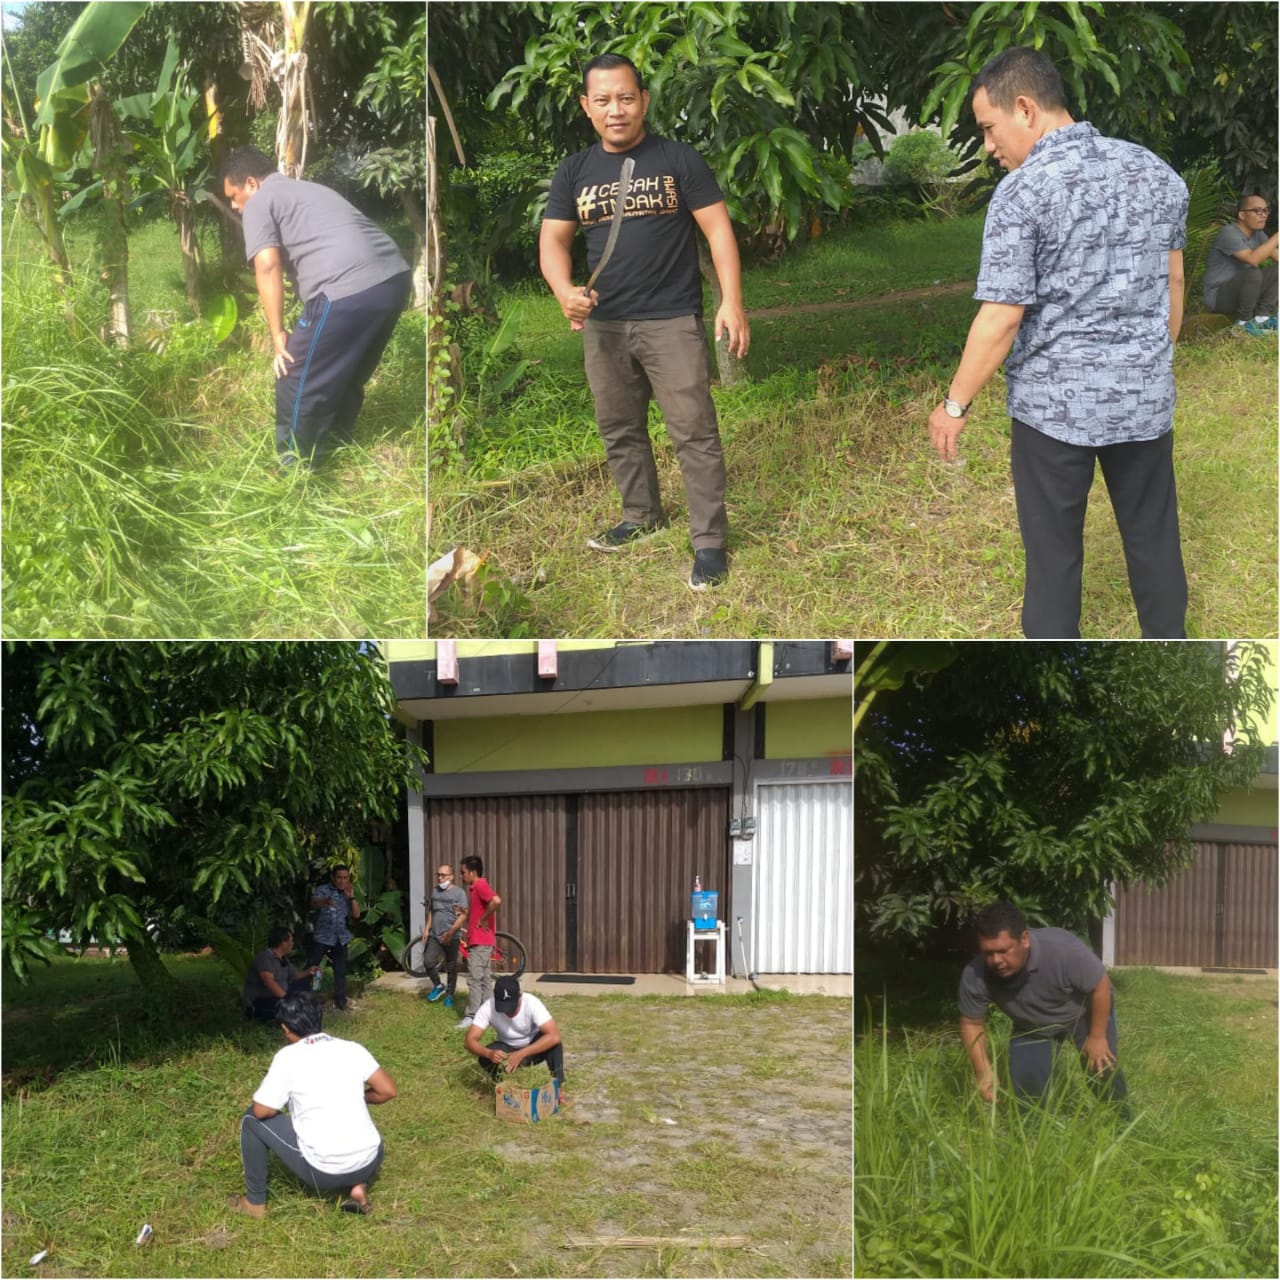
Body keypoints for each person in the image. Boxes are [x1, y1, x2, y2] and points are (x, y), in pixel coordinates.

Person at [927, 47, 1189, 639]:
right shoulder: (1156, 173)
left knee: (1052, 560)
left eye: (989, 129)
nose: (989, 146)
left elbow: (1001, 317)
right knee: (1154, 541)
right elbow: (1173, 281)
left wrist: (954, 405)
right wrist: (1149, 362)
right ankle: (1168, 641)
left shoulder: (1023, 195)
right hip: (1144, 403)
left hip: (1054, 415)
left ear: (1025, 109)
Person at [539, 52, 750, 591]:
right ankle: (640, 516)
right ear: (587, 107)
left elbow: (719, 231)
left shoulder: (679, 159)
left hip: (671, 319)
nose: (616, 110)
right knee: (619, 428)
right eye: (604, 100)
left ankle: (708, 543)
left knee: (694, 433)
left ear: (644, 101)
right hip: (604, 324)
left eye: (626, 98)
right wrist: (564, 291)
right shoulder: (575, 171)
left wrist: (732, 301)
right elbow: (554, 242)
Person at [221, 146, 412, 468]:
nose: (234, 205)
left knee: (293, 375)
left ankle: (295, 472)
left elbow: (267, 266)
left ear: (251, 183)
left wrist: (277, 333)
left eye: (233, 195)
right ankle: (337, 444)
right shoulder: (308, 189)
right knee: (346, 370)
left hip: (345, 289)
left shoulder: (260, 202)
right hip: (393, 280)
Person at [230, 992, 397, 1218]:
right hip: (371, 1160)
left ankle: (255, 1203)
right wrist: (360, 1096)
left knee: (250, 1119)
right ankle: (358, 1186)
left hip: (323, 1173)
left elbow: (261, 1110)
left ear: (285, 1029)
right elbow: (387, 1090)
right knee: (361, 1133)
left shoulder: (288, 1057)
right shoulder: (352, 1048)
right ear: (320, 1018)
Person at [958, 902, 1129, 1112]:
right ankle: (1030, 1137)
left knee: (1101, 1069)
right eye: (988, 953)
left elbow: (1100, 985)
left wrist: (1097, 1037)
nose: (996, 961)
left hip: (1083, 1012)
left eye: (1003, 951)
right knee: (1028, 1086)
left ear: (1024, 940)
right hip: (1031, 1024)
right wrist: (983, 1070)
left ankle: (1121, 1120)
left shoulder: (1062, 949)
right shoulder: (975, 974)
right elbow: (971, 1023)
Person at [465, 976, 565, 1094]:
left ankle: (558, 1087)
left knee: (554, 1044)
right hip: (507, 1051)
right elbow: (469, 1041)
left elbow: (554, 1036)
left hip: (532, 1049)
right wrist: (489, 1053)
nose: (508, 1012)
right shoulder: (488, 1007)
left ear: (520, 996)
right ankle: (504, 1086)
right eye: (503, 1006)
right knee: (484, 1057)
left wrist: (522, 1053)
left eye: (512, 1006)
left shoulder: (531, 1003)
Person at [1201, 196, 1278, 333]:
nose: (1264, 215)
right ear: (1242, 215)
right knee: (1253, 272)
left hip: (1243, 291)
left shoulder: (1258, 234)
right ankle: (1243, 324)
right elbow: (1253, 259)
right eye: (1257, 211)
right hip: (1218, 297)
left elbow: (1276, 255)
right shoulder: (1228, 233)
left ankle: (1262, 318)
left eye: (1266, 210)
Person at [307, 865, 361, 1012]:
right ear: (333, 877)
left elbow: (356, 915)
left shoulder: (348, 893)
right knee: (314, 969)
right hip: (322, 937)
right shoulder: (323, 889)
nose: (342, 881)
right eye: (339, 877)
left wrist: (352, 897)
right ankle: (307, 997)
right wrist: (325, 901)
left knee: (340, 971)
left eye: (345, 878)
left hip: (340, 938)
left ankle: (340, 1000)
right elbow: (313, 903)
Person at [456, 855, 501, 1030]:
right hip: (480, 941)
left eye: (463, 872)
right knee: (484, 979)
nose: (461, 876)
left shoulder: (480, 885)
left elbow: (496, 901)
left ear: (473, 872)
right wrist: (467, 912)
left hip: (481, 942)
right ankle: (490, 1015)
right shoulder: (474, 888)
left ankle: (472, 1016)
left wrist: (483, 919)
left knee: (475, 979)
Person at [242, 926, 319, 1022]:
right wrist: (287, 1000)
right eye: (290, 941)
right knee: (288, 1010)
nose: (292, 944)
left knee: (304, 984)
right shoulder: (264, 958)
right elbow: (270, 983)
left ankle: (300, 1009)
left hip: (279, 995)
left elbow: (295, 975)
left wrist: (309, 971)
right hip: (261, 1001)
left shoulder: (283, 959)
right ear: (283, 943)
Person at [422, 862, 468, 1006]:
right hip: (435, 935)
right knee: (428, 961)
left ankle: (449, 995)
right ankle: (438, 986)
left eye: (443, 875)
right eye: (438, 875)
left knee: (451, 966)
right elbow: (432, 910)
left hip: (452, 936)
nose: (440, 878)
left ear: (452, 876)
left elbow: (462, 915)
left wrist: (451, 932)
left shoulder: (459, 893)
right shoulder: (435, 891)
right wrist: (427, 928)